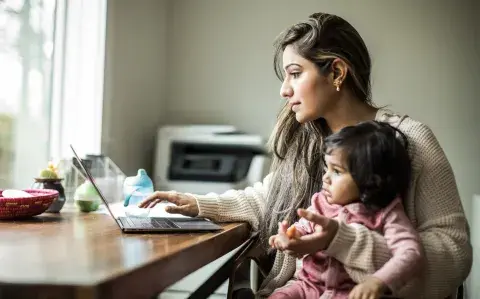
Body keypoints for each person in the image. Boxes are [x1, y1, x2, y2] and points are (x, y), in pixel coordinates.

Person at [139, 12, 472, 298]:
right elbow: (266, 199)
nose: (284, 90)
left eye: (295, 73)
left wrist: (345, 243)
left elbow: (454, 252)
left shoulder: (410, 141)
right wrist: (197, 205)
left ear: (337, 73)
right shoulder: (308, 142)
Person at [268, 120, 425, 299]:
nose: (325, 178)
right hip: (308, 286)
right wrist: (291, 236)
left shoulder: (387, 213)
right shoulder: (321, 202)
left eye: (337, 171)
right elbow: (303, 227)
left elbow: (411, 252)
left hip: (351, 293)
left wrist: (378, 281)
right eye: (327, 168)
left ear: (371, 180)